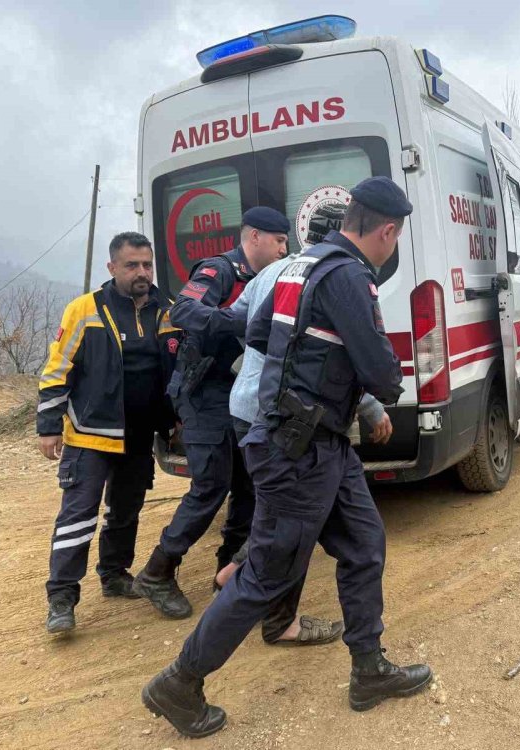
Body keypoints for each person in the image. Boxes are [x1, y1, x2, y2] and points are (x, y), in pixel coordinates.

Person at [141, 177, 432, 738]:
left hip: (317, 442)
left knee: (364, 544)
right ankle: (180, 682)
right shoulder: (349, 275)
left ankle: (368, 668)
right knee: (264, 576)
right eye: (396, 238)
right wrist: (380, 384)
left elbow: (253, 333)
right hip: (298, 451)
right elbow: (379, 373)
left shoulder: (301, 264)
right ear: (387, 230)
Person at [212, 253, 395, 646]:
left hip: (254, 406)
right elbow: (329, 362)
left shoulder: (279, 273)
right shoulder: (331, 277)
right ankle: (249, 591)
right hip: (294, 419)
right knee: (292, 525)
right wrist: (372, 406)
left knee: (286, 517)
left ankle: (258, 588)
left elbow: (253, 331)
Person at [132, 208, 289, 620]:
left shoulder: (267, 280)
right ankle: (157, 571)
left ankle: (229, 573)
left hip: (237, 395)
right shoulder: (220, 270)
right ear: (255, 237)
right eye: (279, 241)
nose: (284, 249)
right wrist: (237, 322)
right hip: (204, 394)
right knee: (211, 485)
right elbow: (182, 311)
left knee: (248, 484)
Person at [38, 232, 179, 634]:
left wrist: (174, 420)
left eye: (147, 265)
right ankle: (62, 597)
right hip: (90, 434)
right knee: (78, 515)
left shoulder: (164, 311)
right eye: (132, 265)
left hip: (139, 435)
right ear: (112, 268)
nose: (141, 272)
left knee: (126, 510)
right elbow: (56, 371)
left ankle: (115, 575)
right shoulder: (84, 310)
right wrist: (49, 427)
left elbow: (174, 371)